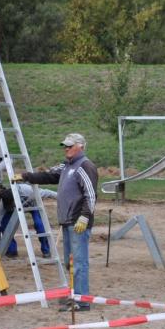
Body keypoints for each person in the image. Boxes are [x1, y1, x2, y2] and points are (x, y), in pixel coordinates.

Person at [14, 133, 97, 311]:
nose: (66, 148)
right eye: (65, 146)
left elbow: (90, 195)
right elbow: (49, 176)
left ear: (80, 146)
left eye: (69, 145)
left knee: (79, 262)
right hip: (67, 221)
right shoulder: (66, 166)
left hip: (78, 222)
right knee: (70, 261)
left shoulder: (85, 166)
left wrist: (84, 216)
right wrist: (26, 176)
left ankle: (82, 302)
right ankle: (75, 294)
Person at [0, 183, 57, 259]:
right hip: (16, 208)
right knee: (5, 225)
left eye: (10, 205)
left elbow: (48, 192)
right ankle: (12, 251)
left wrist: (60, 196)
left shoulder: (30, 192)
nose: (9, 206)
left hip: (33, 205)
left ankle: (46, 250)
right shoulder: (5, 199)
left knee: (40, 225)